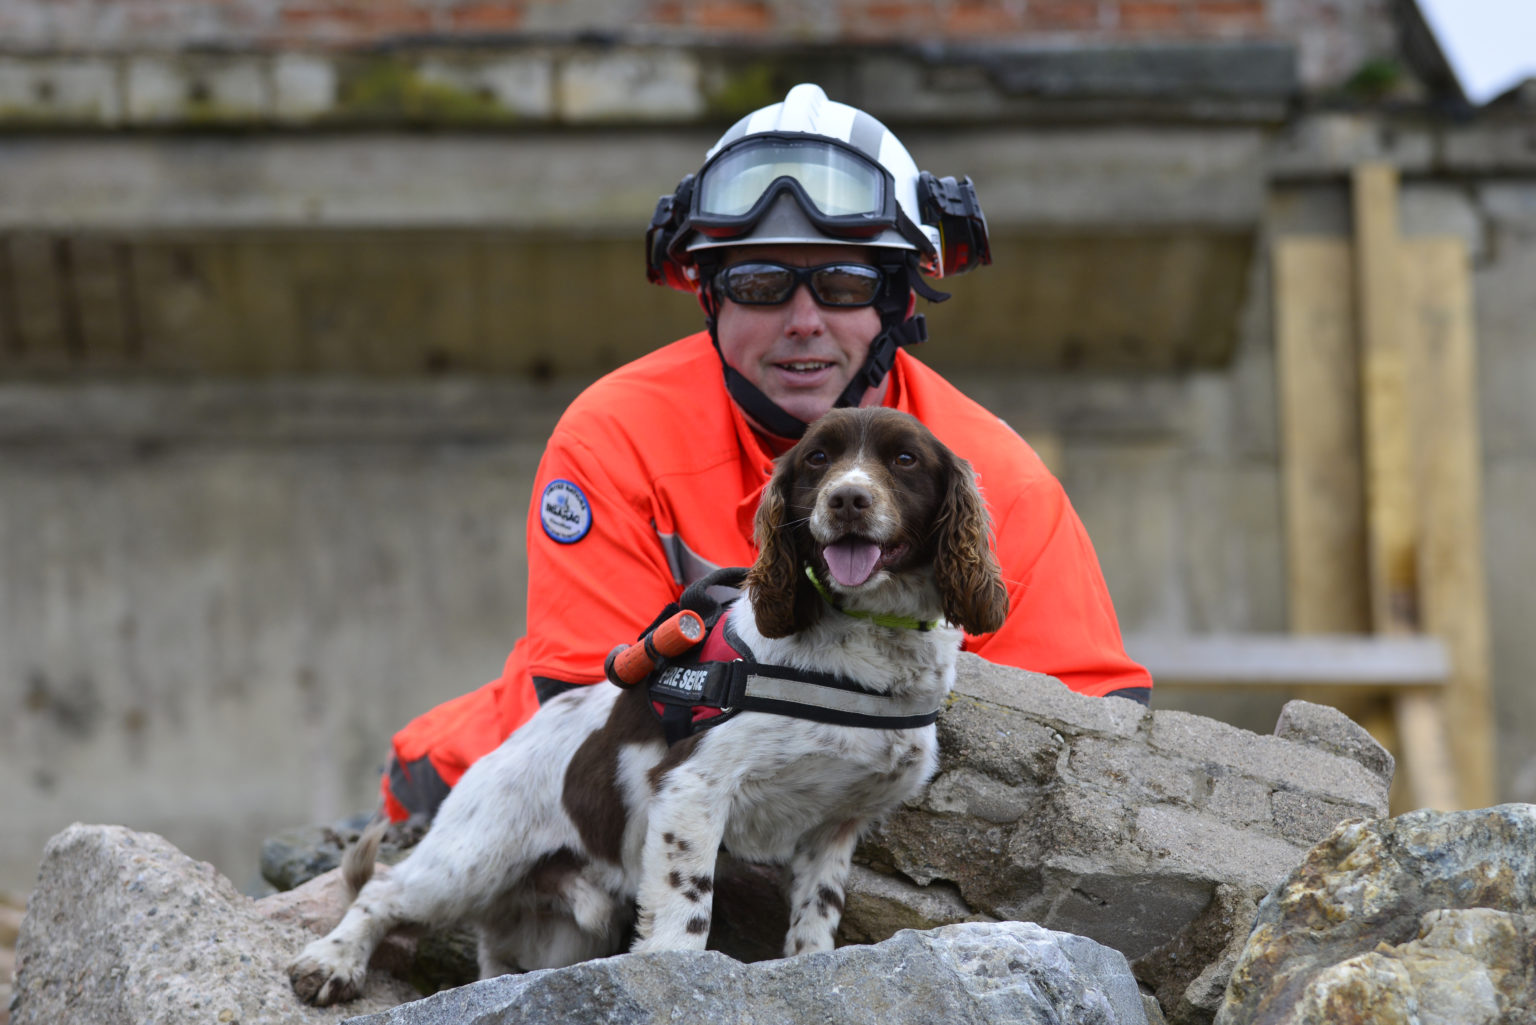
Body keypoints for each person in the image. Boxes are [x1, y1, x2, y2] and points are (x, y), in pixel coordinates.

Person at [380, 84, 1151, 822]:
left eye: (844, 283)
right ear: (708, 296)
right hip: (483, 791)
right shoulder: (616, 436)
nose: (803, 320)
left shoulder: (995, 478)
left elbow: (1092, 729)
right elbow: (589, 719)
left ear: (900, 298)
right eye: (759, 282)